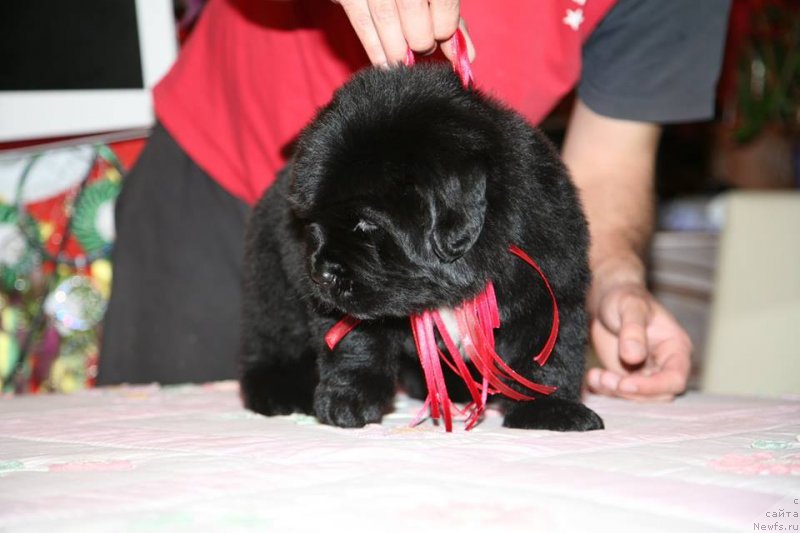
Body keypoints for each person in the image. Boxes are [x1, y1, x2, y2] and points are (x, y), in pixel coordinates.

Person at [98, 0, 731, 404]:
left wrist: (616, 280)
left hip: (428, 237)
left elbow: (610, 164)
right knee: (166, 452)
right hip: (217, 172)